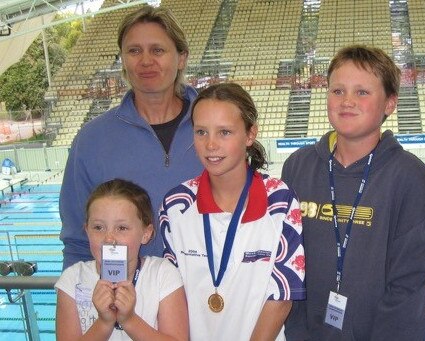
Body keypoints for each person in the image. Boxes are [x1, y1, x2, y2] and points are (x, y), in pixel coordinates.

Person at [281, 45, 425, 340]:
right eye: (337, 91)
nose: (347, 102)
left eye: (362, 92)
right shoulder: (298, 167)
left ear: (390, 103)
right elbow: (286, 264)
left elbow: (408, 287)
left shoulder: (409, 177)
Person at [59, 5, 203, 269]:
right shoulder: (91, 141)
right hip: (128, 301)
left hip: (210, 299)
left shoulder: (217, 128)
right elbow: (78, 243)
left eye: (157, 50)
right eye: (134, 51)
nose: (146, 61)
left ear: (181, 58)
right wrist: (83, 304)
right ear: (123, 60)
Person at [160, 82, 305, 340]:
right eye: (201, 132)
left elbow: (282, 297)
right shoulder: (176, 205)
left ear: (250, 135)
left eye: (224, 132)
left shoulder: (279, 200)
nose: (210, 144)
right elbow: (173, 294)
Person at [55, 179, 188, 341]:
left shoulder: (163, 274)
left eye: (122, 228)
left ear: (146, 233)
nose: (109, 239)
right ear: (87, 231)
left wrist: (129, 320)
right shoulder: (72, 280)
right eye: (98, 227)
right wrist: (104, 323)